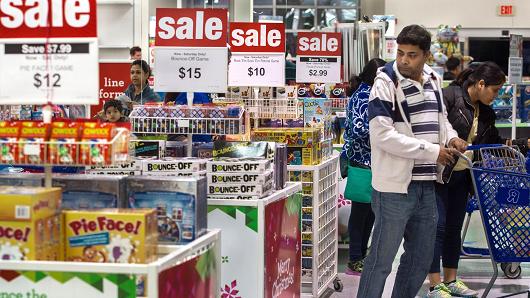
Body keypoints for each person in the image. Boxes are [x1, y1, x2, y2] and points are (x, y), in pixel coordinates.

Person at [357, 24, 467, 298]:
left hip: (427, 186)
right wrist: (432, 151)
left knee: (419, 260)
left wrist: (452, 138)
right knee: (380, 262)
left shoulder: (433, 79)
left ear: (426, 55)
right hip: (394, 189)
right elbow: (382, 135)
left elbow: (441, 121)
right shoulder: (385, 83)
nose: (404, 60)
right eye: (401, 53)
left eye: (412, 55)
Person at [427, 61, 529, 298]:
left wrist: (523, 144)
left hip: (464, 176)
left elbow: (491, 144)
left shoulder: (486, 113)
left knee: (453, 228)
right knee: (438, 228)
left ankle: (451, 280)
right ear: (481, 84)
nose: (496, 95)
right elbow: (432, 128)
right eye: (494, 90)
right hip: (440, 174)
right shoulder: (450, 97)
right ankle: (434, 285)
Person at [341, 58, 386, 276]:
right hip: (363, 161)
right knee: (361, 214)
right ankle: (354, 260)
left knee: (369, 213)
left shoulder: (370, 93)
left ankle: (361, 257)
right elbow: (359, 130)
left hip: (372, 161)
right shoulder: (363, 96)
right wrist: (385, 134)